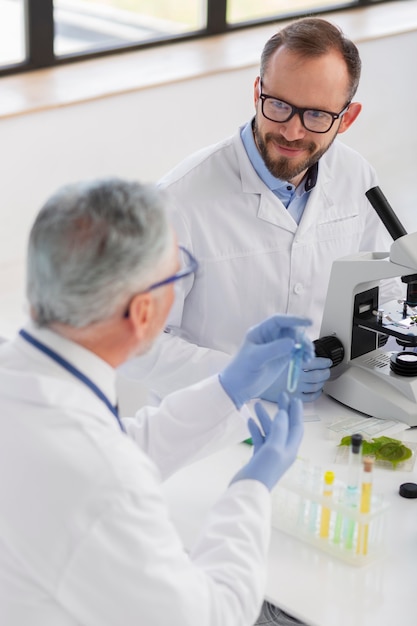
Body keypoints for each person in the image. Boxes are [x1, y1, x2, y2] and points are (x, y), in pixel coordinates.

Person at [0, 177, 315, 626]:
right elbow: (214, 616)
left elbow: (111, 447)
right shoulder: (100, 482)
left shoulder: (21, 375)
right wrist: (252, 490)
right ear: (144, 311)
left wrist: (228, 387)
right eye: (178, 272)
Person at [120, 17, 400, 403]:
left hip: (329, 409)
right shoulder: (175, 201)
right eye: (279, 105)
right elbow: (136, 346)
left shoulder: (357, 177)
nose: (292, 131)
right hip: (212, 427)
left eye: (317, 114)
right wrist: (246, 377)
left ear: (346, 118)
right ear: (257, 92)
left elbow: (381, 290)